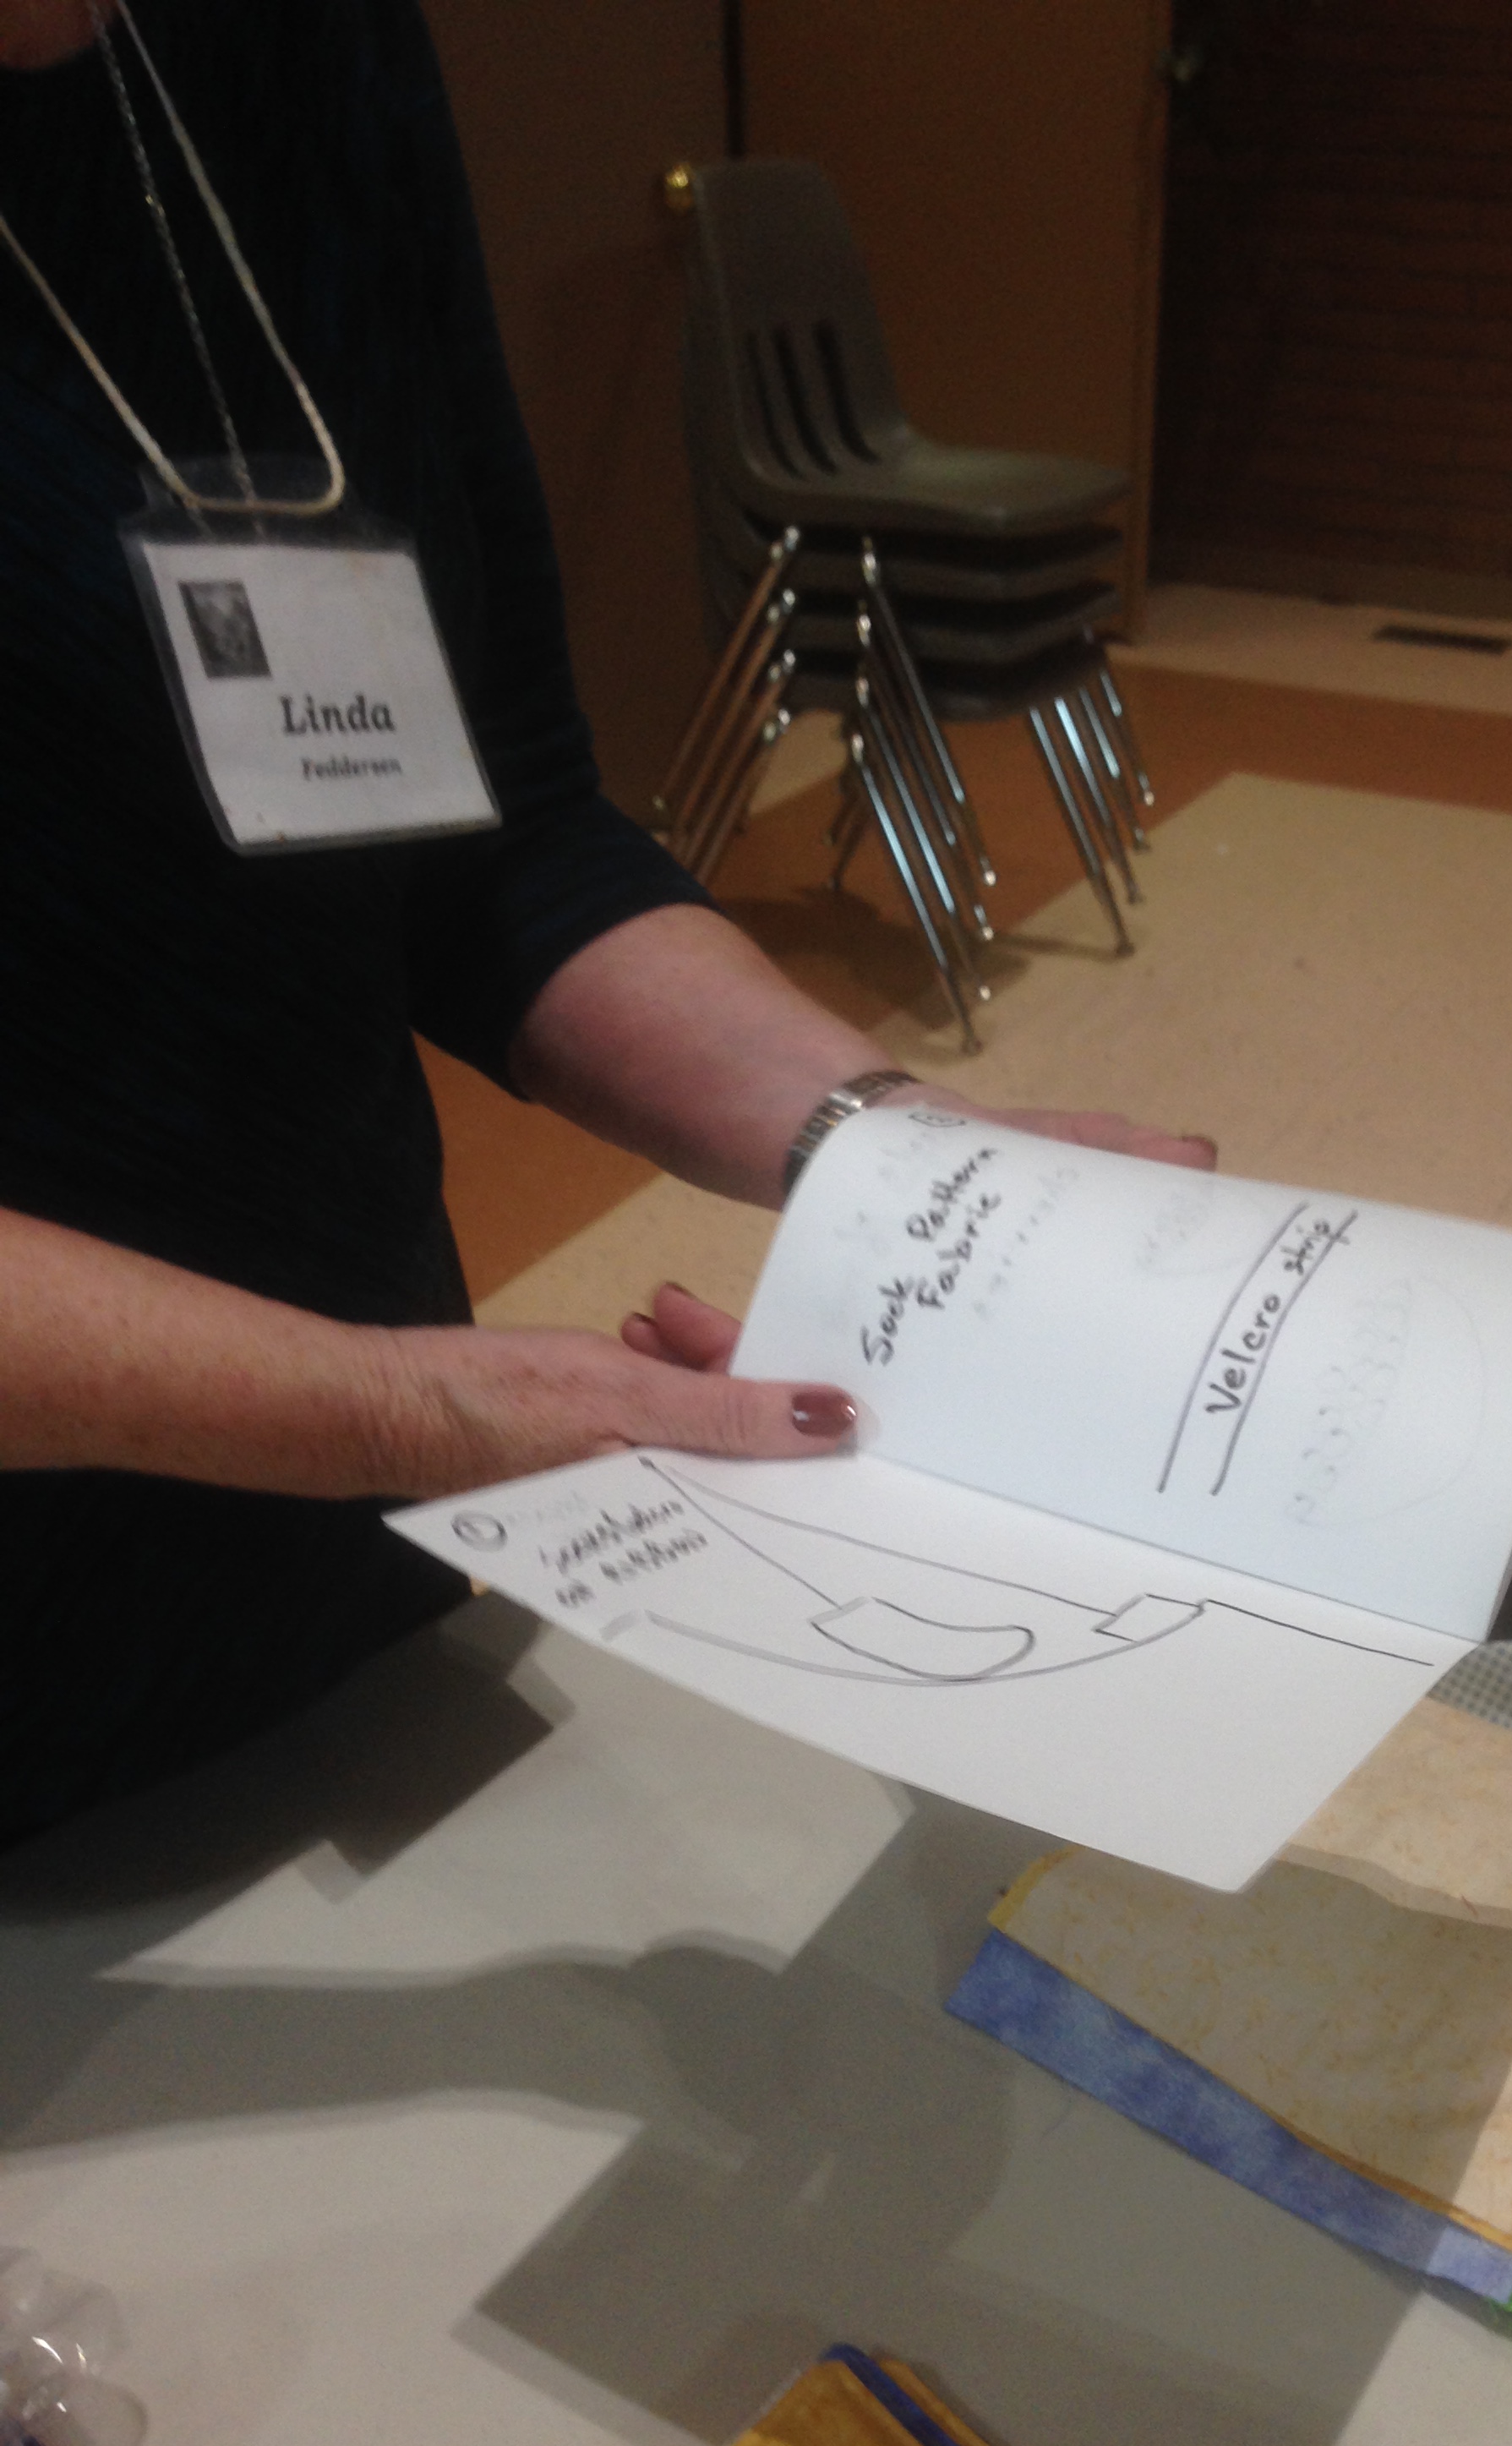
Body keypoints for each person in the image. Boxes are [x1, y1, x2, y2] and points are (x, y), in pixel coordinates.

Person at [0, 0, 1209, 1841]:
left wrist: (893, 1158)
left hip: (355, 1588)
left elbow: (497, 827)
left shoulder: (303, 48)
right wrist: (386, 1412)